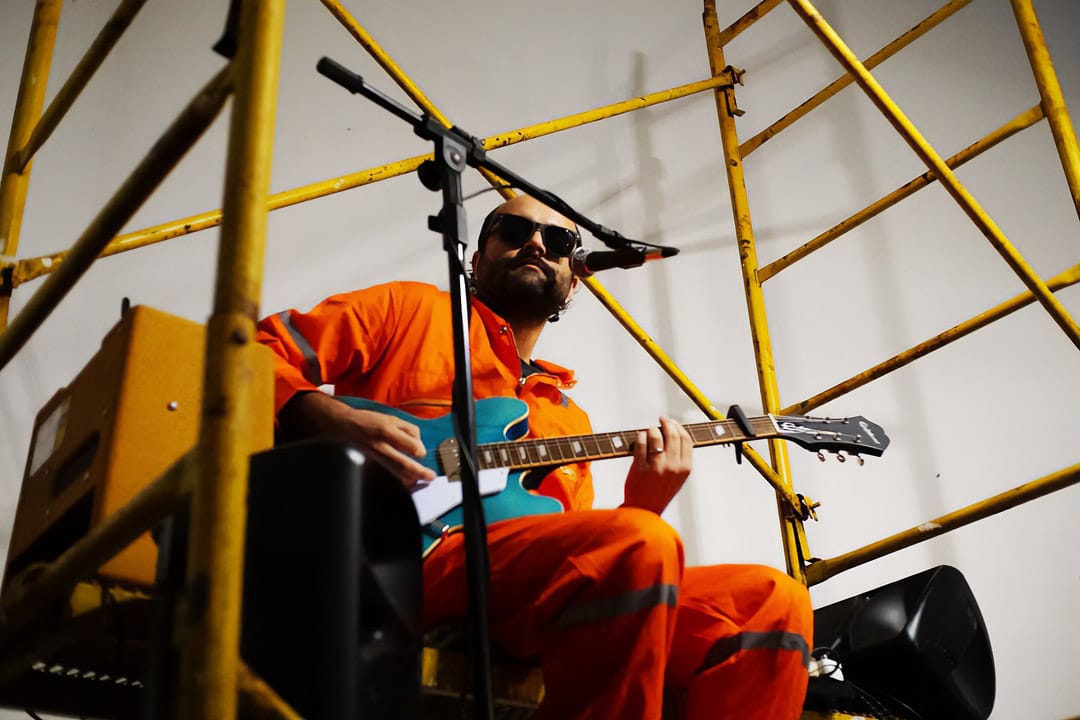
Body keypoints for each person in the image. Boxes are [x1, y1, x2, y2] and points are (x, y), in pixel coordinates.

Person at [255, 193, 813, 719]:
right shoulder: (408, 308)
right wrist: (323, 414)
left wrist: (643, 504)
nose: (537, 244)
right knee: (637, 542)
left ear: (573, 283)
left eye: (559, 240)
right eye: (515, 230)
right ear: (477, 259)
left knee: (770, 600)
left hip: (518, 588)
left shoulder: (568, 418)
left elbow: (581, 557)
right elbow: (251, 352)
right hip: (405, 553)